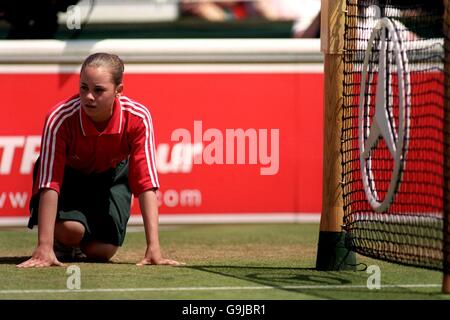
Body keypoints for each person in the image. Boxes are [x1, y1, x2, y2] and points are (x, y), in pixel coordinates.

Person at [17, 52, 183, 268]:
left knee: (102, 251)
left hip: (112, 176)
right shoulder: (59, 118)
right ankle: (63, 243)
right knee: (71, 231)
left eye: (99, 90)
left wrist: (154, 248)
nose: (88, 97)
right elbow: (50, 182)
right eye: (83, 87)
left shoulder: (138, 118)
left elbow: (145, 183)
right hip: (70, 178)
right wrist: (44, 247)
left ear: (118, 91)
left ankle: (80, 243)